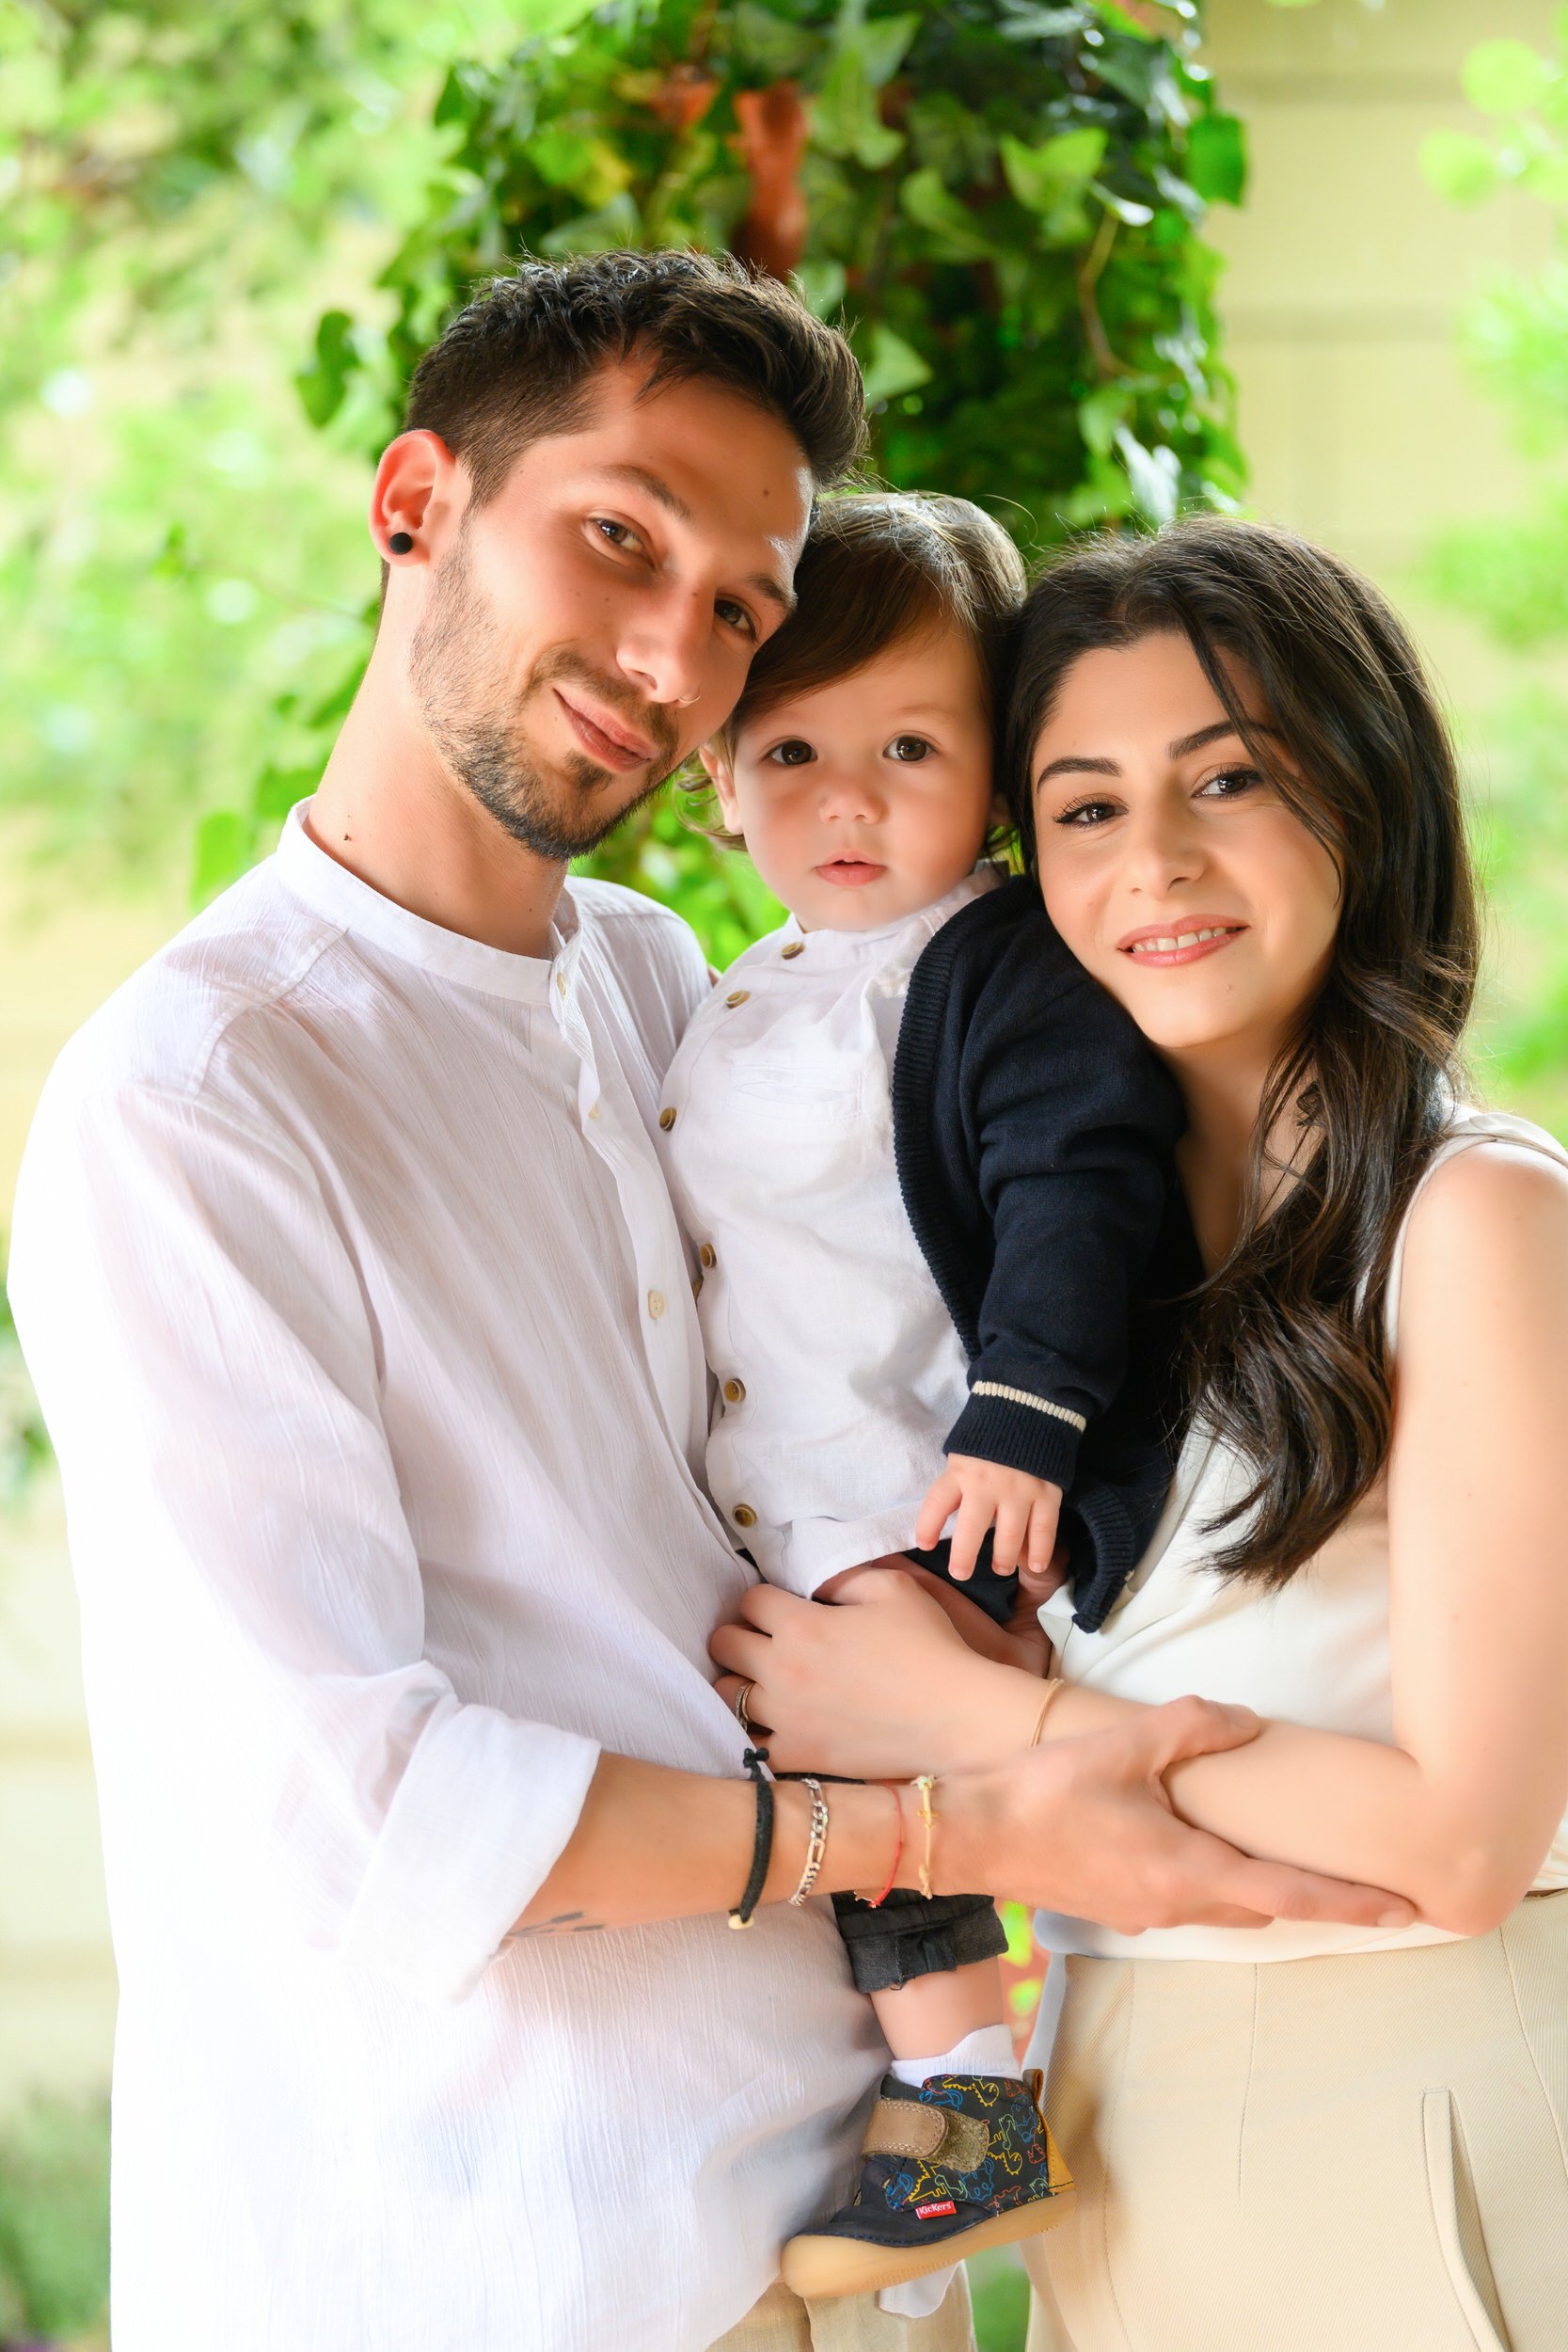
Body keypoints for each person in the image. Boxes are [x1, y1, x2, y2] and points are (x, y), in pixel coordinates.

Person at [9, 256, 1410, 2352]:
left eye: (741, 601)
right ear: (416, 502)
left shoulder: (673, 978)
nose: (677, 652)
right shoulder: (205, 1092)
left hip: (844, 2233)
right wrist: (961, 1807)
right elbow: (360, 1816)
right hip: (510, 2274)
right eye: (617, 533)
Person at [710, 516, 1568, 2352]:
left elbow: (1461, 1837)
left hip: (1415, 2091)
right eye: (1086, 806)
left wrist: (971, 1726)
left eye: (1230, 777)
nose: (1155, 859)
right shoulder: (1050, 1262)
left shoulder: (1473, 1216)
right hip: (1124, 2125)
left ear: (1367, 791)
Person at [658, 489, 1189, 2304]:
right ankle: (940, 2094)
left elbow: (1080, 1179)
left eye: (910, 746)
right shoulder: (747, 980)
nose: (848, 799)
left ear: (996, 770)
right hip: (795, 1502)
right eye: (789, 751)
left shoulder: (992, 967)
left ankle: (971, 2104)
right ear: (715, 781)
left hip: (929, 1484)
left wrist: (1026, 1420)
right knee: (842, 1796)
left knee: (886, 1787)